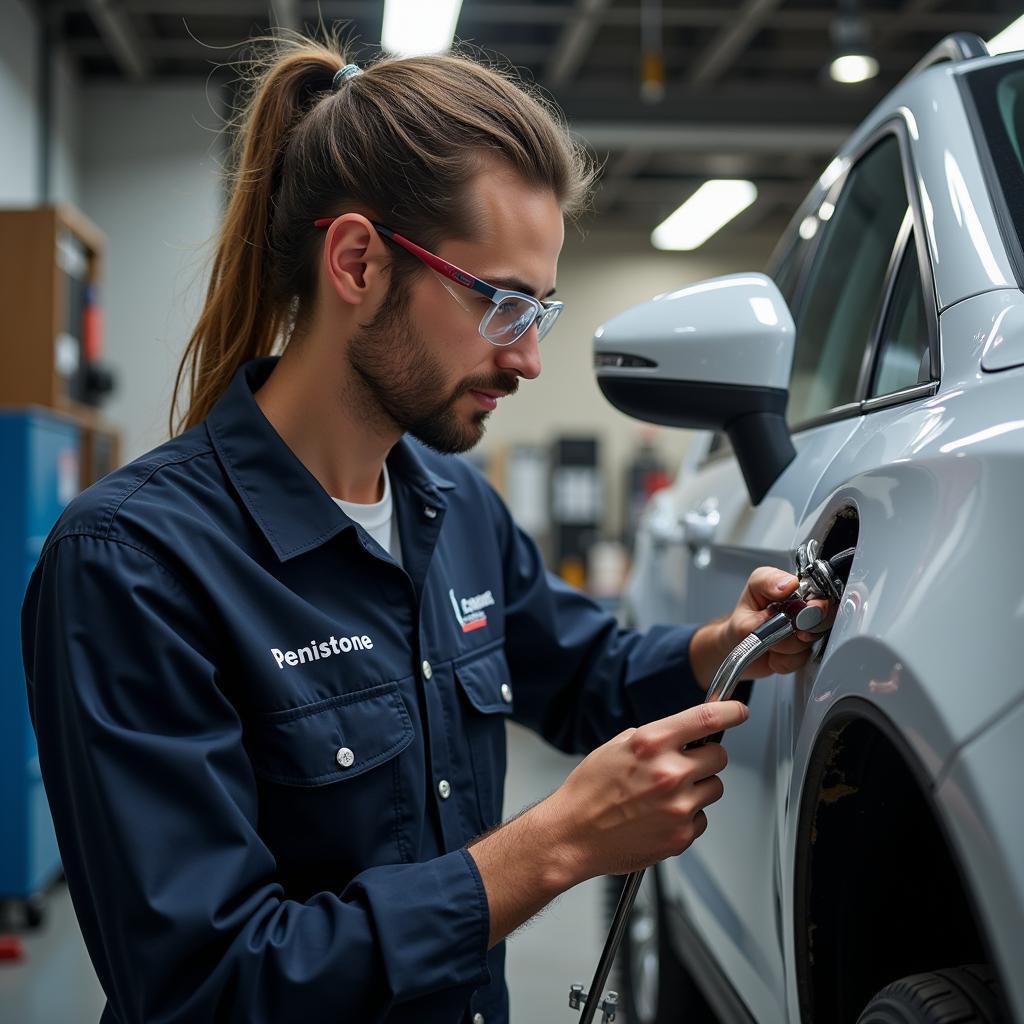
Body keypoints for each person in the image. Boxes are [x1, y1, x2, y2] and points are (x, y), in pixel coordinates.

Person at [21, 34, 823, 1024]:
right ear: (356, 261)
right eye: (500, 304)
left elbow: (578, 672)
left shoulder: (454, 504)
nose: (528, 358)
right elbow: (207, 983)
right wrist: (554, 843)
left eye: (543, 310)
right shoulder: (135, 565)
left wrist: (723, 646)